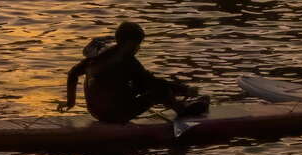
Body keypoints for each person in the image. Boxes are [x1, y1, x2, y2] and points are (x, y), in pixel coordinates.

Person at [62, 21, 208, 124]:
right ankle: (181, 110)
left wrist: (71, 102)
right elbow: (153, 83)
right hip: (115, 115)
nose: (138, 48)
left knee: (140, 83)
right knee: (159, 89)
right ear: (128, 43)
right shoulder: (127, 61)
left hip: (95, 111)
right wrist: (185, 89)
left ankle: (179, 103)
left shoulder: (98, 55)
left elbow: (73, 74)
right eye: (137, 44)